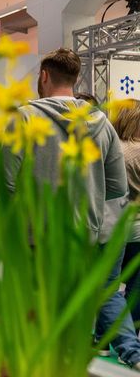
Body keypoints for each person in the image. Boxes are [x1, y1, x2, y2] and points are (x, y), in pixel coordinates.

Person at [3, 49, 137, 368]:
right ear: (75, 80)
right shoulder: (101, 123)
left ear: (44, 76)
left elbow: (5, 183)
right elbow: (116, 187)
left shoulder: (22, 118)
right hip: (85, 238)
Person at [112, 100, 140, 324]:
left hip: (111, 228)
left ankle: (101, 337)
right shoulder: (138, 150)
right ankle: (127, 340)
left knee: (108, 288)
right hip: (138, 231)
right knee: (135, 290)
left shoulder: (110, 149)